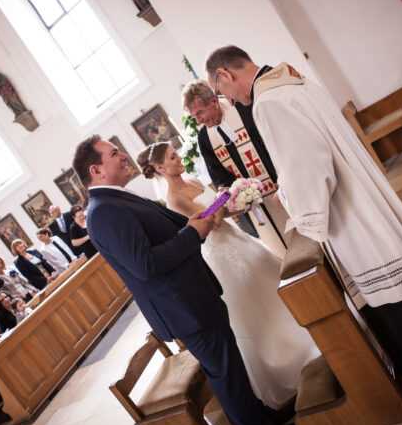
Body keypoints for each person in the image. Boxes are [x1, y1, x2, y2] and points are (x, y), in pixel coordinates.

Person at [205, 45, 402, 394]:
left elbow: (309, 168)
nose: (226, 99)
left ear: (225, 74)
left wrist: (293, 203)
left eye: (219, 90)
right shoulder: (292, 81)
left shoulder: (268, 103)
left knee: (388, 284)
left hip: (347, 211)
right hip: (360, 193)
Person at [72, 135, 301, 425]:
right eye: (114, 153)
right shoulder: (104, 211)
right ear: (96, 171)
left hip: (192, 295)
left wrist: (189, 225)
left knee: (231, 365)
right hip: (183, 305)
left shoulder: (116, 200)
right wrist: (191, 233)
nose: (124, 155)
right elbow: (146, 265)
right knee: (225, 371)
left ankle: (260, 417)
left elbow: (159, 236)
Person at [137, 142, 320, 407]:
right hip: (220, 252)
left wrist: (239, 198)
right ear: (160, 167)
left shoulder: (194, 181)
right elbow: (210, 223)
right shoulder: (174, 199)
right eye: (172, 157)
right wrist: (226, 199)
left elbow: (222, 211)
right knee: (253, 306)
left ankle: (313, 325)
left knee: (273, 286)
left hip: (238, 239)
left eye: (176, 154)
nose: (178, 158)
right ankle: (288, 359)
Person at [182, 79, 288, 258]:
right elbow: (219, 176)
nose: (198, 120)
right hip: (254, 207)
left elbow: (272, 145)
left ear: (214, 101)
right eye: (194, 116)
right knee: (280, 250)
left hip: (282, 189)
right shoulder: (205, 138)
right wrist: (232, 191)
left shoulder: (244, 109)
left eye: (200, 112)